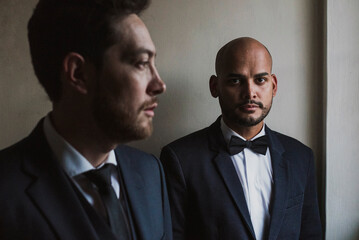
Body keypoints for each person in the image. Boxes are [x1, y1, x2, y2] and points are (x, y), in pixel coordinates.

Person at [0, 0, 172, 239]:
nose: (159, 85)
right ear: (78, 74)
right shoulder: (5, 189)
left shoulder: (151, 171)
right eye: (142, 63)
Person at [160, 37, 322, 240]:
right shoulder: (180, 159)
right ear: (215, 86)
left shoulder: (301, 157)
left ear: (273, 86)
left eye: (260, 80)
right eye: (235, 80)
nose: (249, 92)